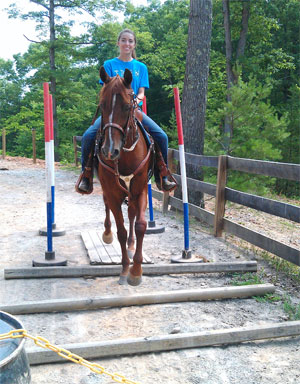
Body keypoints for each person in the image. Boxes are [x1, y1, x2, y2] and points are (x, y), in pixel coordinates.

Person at [78, 28, 176, 193]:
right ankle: (85, 175)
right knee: (88, 136)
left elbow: (142, 92)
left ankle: (163, 174)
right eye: (123, 40)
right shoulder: (109, 65)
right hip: (111, 113)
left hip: (133, 110)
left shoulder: (141, 67)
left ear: (134, 44)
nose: (127, 44)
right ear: (118, 43)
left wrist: (135, 101)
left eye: (130, 41)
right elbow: (106, 91)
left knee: (162, 136)